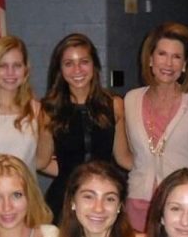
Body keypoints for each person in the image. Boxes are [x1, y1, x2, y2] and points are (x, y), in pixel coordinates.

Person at [124, 22, 188, 232]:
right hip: (138, 204)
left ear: (184, 65)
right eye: (162, 54)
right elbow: (129, 155)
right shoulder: (131, 100)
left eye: (176, 57)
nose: (168, 63)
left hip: (183, 206)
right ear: (150, 59)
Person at [39, 33, 133, 223]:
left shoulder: (114, 105)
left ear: (94, 65)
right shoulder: (49, 110)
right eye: (68, 63)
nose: (77, 70)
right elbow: (40, 162)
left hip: (104, 196)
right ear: (60, 70)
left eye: (84, 61)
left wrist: (159, 168)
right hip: (64, 199)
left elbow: (123, 158)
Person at [0, 36, 51, 173]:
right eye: (3, 66)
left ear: (25, 70)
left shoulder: (37, 110)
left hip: (27, 192)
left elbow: (41, 161)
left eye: (17, 65)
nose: (10, 73)